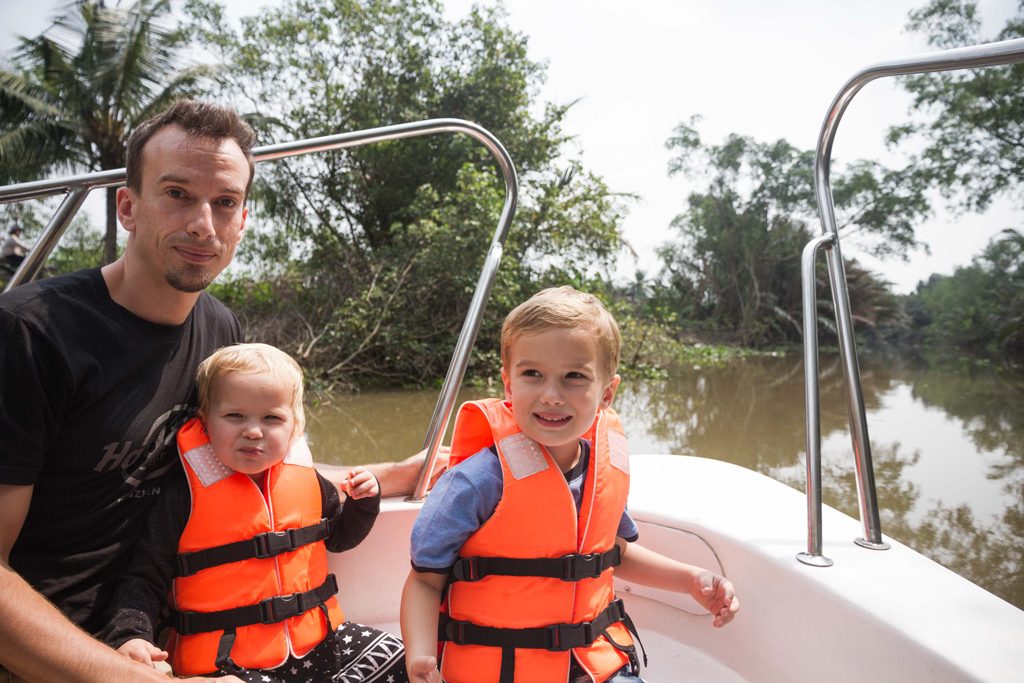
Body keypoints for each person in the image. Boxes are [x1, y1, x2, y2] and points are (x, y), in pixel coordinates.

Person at [0, 100, 431, 683]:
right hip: (59, 653)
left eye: (224, 202)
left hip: (183, 635)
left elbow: (244, 457)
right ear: (128, 206)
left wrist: (393, 475)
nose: (204, 224)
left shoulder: (219, 328)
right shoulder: (31, 332)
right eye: (177, 194)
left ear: (242, 220)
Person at [400, 286, 740, 683]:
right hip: (503, 672)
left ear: (607, 393)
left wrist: (689, 580)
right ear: (508, 384)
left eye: (574, 377)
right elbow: (425, 580)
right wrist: (419, 656)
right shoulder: (475, 483)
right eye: (532, 374)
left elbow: (612, 552)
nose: (551, 395)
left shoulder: (602, 472)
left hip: (595, 665)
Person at [101, 343, 408, 682]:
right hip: (230, 662)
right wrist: (130, 634)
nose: (252, 430)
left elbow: (338, 538)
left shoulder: (308, 480)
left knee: (402, 661)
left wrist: (364, 503)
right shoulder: (182, 495)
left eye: (271, 418)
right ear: (205, 420)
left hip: (320, 643)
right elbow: (144, 576)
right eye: (235, 416)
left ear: (294, 426)